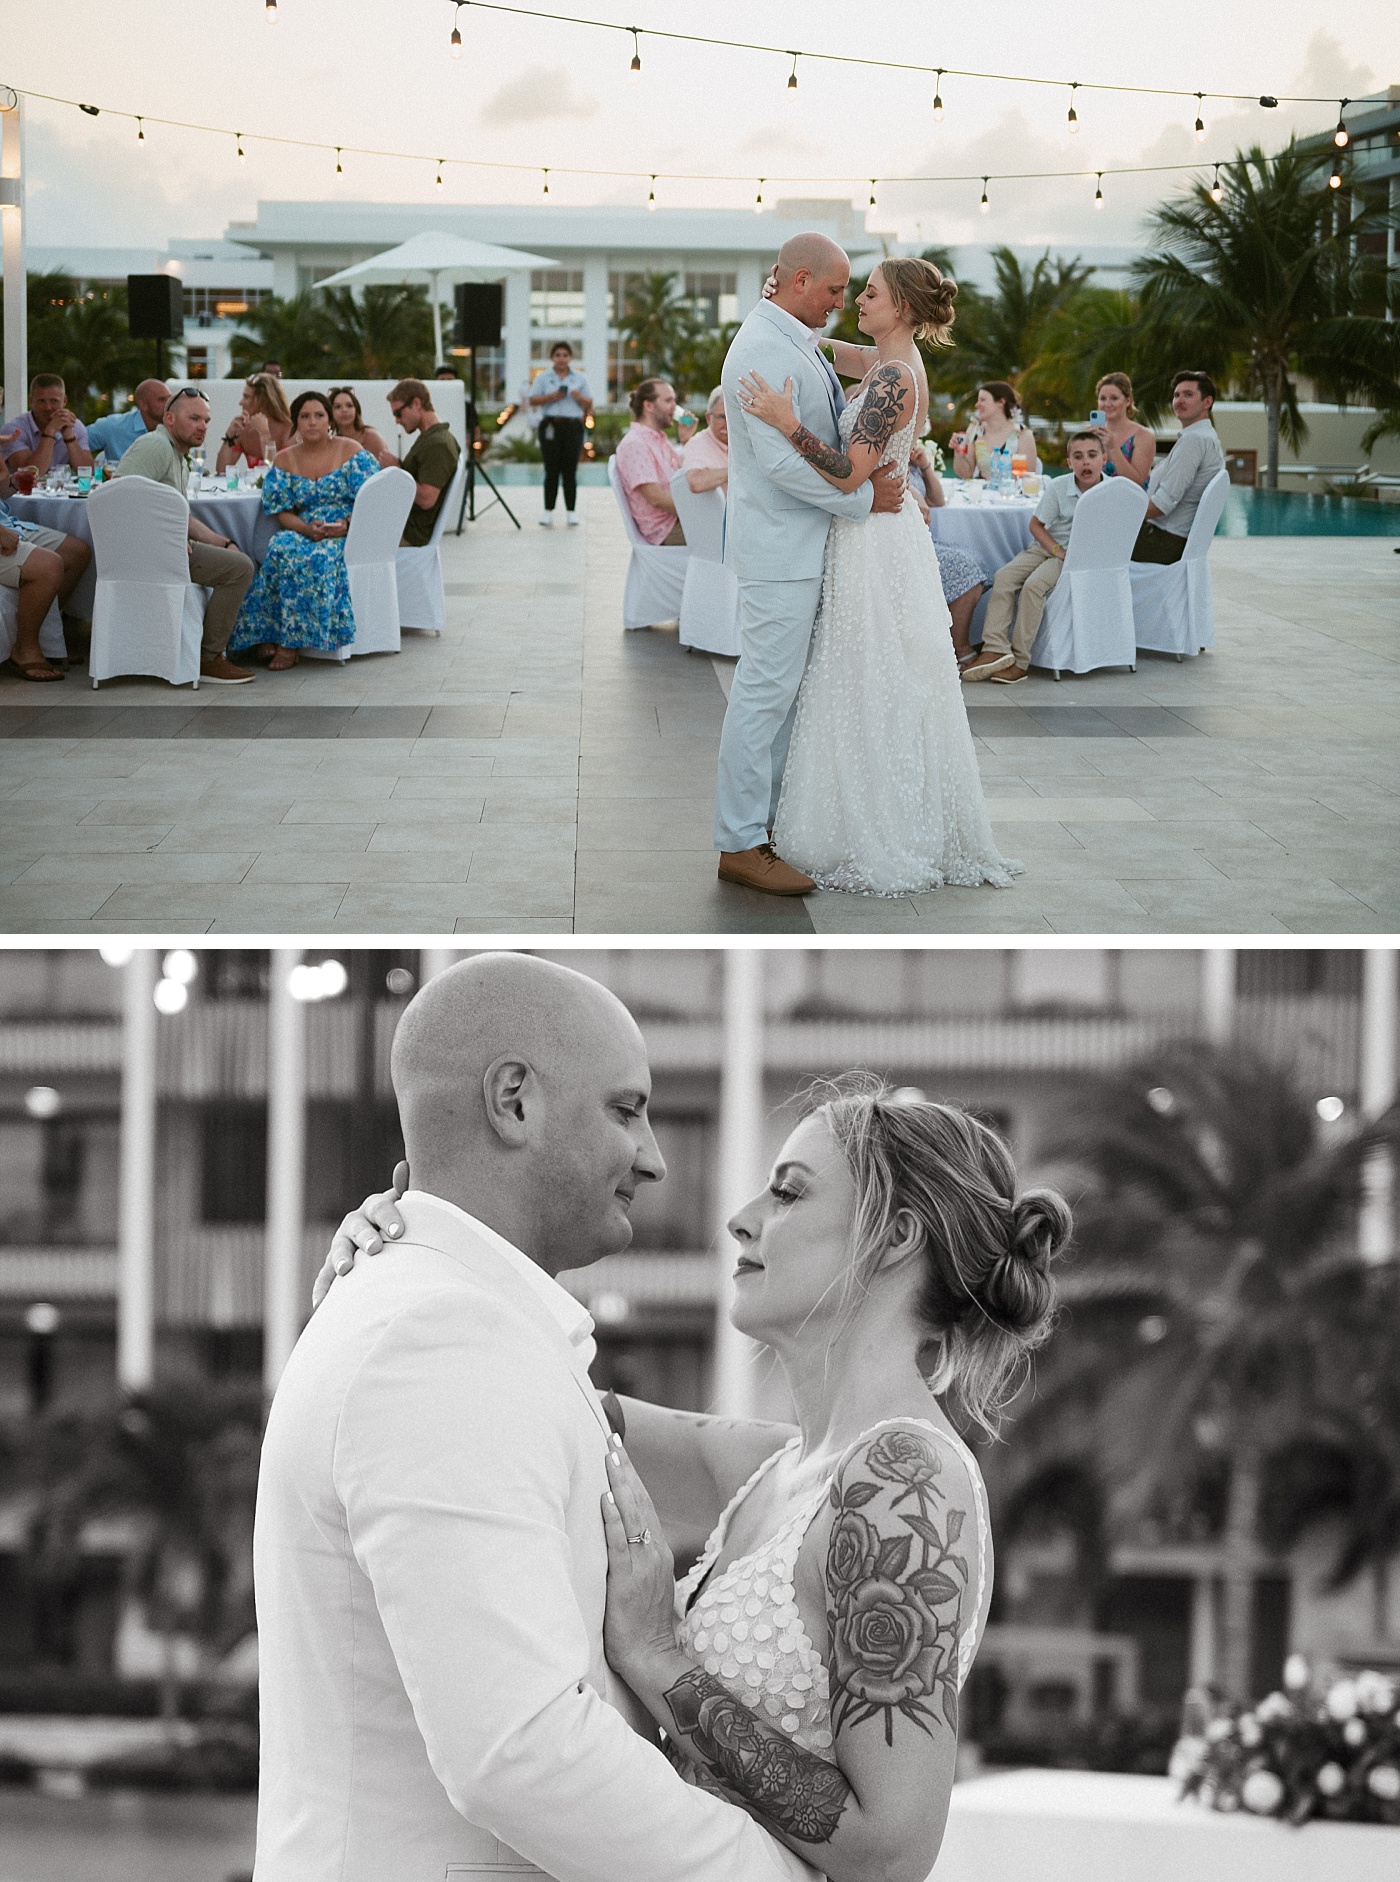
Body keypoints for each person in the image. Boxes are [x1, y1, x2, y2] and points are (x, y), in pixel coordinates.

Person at [321, 1050, 1067, 1882]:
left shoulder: (905, 1483)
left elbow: (892, 1850)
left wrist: (659, 1656)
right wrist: (409, 1250)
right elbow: (514, 1390)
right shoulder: (774, 1469)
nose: (741, 1219)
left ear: (894, 1237)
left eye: (787, 1193)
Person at [255, 954, 827, 1882]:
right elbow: (515, 1748)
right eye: (627, 1109)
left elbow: (764, 1463)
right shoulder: (438, 1335)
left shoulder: (456, 1321)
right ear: (514, 1100)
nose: (655, 1157)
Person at [736, 255, 1022, 897]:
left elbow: (847, 472)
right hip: (879, 540)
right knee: (876, 677)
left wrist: (788, 423)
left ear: (905, 309)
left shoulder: (895, 376)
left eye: (869, 294)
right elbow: (827, 349)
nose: (857, 301)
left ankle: (872, 827)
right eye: (854, 292)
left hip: (875, 542)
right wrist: (783, 307)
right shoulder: (888, 364)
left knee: (869, 677)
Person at [712, 235, 903, 896]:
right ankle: (740, 842)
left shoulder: (792, 334)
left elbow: (874, 361)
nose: (840, 303)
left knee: (782, 693)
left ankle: (765, 828)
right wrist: (861, 500)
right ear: (799, 281)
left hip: (799, 545)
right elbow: (780, 463)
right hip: (779, 548)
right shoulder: (765, 346)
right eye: (834, 290)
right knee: (764, 694)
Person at [113, 387, 257, 684]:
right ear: (169, 419)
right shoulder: (155, 446)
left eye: (206, 420)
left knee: (237, 555)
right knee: (240, 568)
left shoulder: (176, 454)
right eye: (193, 418)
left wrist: (223, 542)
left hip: (162, 547)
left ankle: (214, 651)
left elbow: (180, 516)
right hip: (147, 553)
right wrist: (165, 538)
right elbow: (120, 499)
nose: (202, 426)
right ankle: (209, 658)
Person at [227, 390, 379, 669]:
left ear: (329, 420)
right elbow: (282, 512)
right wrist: (307, 530)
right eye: (305, 416)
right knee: (281, 547)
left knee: (318, 557)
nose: (312, 422)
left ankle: (290, 643)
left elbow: (372, 498)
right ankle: (265, 633)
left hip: (346, 530)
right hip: (304, 526)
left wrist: (347, 524)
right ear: (296, 423)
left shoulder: (351, 452)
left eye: (319, 415)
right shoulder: (285, 460)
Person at [962, 430, 1107, 684]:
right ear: (1069, 461)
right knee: (1004, 577)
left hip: (1078, 556)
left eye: (1092, 455)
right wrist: (1055, 550)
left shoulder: (1109, 491)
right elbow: (1036, 525)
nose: (1086, 462)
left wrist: (1070, 555)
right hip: (1050, 547)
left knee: (1033, 586)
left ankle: (1020, 661)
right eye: (1078, 456)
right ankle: (995, 648)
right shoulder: (1059, 486)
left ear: (1103, 459)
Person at [0, 459, 92, 681]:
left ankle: (46, 638)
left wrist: (12, 482)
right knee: (49, 566)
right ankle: (24, 648)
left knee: (77, 553)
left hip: (7, 522)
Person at [908, 441, 990, 666]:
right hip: (905, 543)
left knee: (977, 559)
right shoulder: (888, 458)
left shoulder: (910, 461)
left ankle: (956, 644)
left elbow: (937, 501)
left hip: (923, 540)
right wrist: (910, 489)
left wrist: (924, 466)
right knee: (966, 567)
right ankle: (959, 648)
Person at [1133, 371, 1226, 564]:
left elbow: (1162, 505)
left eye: (1188, 395)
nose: (1179, 400)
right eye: (1176, 395)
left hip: (1162, 542)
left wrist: (1123, 512)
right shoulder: (1206, 437)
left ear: (1207, 402)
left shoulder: (1194, 440)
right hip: (1167, 540)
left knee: (1089, 530)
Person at [614, 379, 695, 546]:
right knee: (728, 535)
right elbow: (656, 498)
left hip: (680, 521)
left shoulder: (659, 439)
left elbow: (684, 476)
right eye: (668, 401)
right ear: (649, 406)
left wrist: (686, 441)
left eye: (674, 401)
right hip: (665, 530)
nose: (675, 407)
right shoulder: (635, 444)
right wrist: (698, 512)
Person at [383, 379, 461, 548]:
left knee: (344, 537)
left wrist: (396, 470)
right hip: (404, 523)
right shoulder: (432, 438)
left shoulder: (438, 444)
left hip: (410, 532)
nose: (397, 421)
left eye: (398, 413)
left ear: (416, 403)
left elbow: (427, 498)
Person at [530, 342, 594, 527]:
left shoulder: (579, 378)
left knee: (570, 470)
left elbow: (589, 402)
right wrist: (552, 396)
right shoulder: (543, 377)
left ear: (570, 358)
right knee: (551, 469)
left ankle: (571, 511)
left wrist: (578, 397)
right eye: (558, 355)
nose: (561, 358)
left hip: (572, 426)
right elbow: (533, 399)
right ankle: (548, 511)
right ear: (552, 357)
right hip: (551, 426)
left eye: (565, 355)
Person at [4, 374, 94, 475]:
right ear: (31, 401)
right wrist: (50, 431)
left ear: (64, 401)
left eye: (54, 401)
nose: (47, 407)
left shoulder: (75, 426)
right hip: (23, 490)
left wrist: (69, 436)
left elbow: (88, 472)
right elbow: (30, 474)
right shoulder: (13, 430)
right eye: (41, 401)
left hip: (62, 489)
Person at [949, 383, 1037, 484]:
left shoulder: (1023, 435)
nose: (977, 405)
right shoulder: (975, 430)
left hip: (1011, 495)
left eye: (982, 400)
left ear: (1001, 402)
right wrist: (959, 451)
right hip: (982, 495)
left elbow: (1028, 479)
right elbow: (965, 474)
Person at [215, 372, 293, 473]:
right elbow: (222, 470)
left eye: (246, 397)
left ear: (263, 401)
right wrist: (229, 435)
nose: (240, 402)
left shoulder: (290, 429)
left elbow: (277, 474)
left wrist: (265, 434)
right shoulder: (243, 430)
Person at [86, 379, 170, 468]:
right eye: (162, 399)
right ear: (143, 405)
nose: (169, 404)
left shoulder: (176, 427)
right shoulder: (113, 426)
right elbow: (78, 440)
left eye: (170, 398)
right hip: (120, 481)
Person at [1090, 373, 1155, 487]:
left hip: (1129, 501)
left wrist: (1113, 447)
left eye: (1114, 398)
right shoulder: (1090, 434)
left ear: (1128, 401)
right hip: (1095, 500)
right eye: (1102, 398)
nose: (1107, 404)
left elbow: (1137, 482)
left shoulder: (1143, 436)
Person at [682, 388, 730, 494]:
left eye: (732, 418)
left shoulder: (743, 442)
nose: (728, 425)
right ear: (708, 418)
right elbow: (696, 482)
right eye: (722, 417)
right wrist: (736, 470)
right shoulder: (697, 444)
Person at [328, 386, 391, 465]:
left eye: (349, 405)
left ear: (356, 410)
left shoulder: (372, 437)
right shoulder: (332, 443)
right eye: (337, 407)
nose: (344, 410)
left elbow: (386, 471)